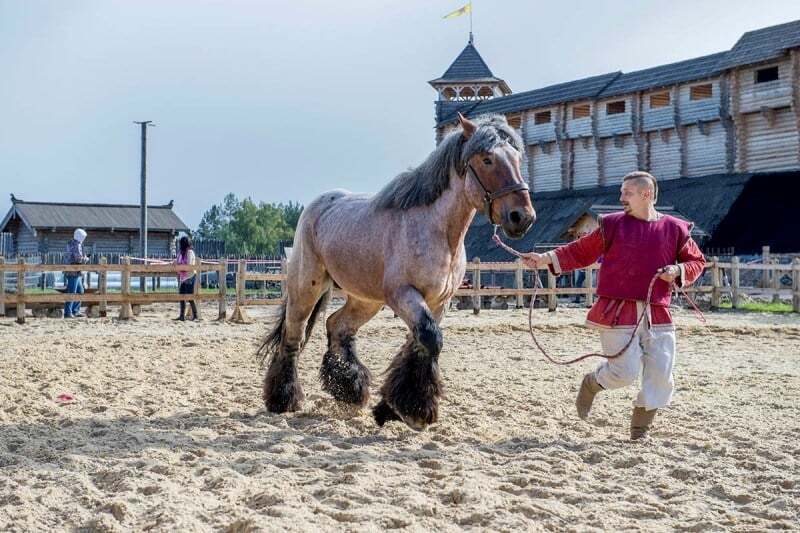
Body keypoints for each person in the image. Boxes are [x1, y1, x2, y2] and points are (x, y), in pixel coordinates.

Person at [522, 171, 706, 440]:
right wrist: (544, 259)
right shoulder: (613, 225)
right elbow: (581, 250)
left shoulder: (675, 228)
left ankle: (639, 432)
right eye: (621, 192)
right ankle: (591, 383)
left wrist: (678, 270)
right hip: (617, 312)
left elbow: (697, 261)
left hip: (658, 312)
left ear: (646, 195)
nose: (621, 198)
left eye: (627, 193)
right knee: (624, 373)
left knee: (661, 375)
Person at [64, 228, 89, 318]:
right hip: (74, 271)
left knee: (79, 291)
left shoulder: (71, 243)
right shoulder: (76, 244)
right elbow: (78, 258)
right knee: (72, 292)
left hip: (75, 271)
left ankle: (75, 311)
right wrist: (86, 259)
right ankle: (68, 312)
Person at [175, 236, 198, 321]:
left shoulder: (190, 252)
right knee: (181, 295)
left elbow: (189, 265)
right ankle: (182, 316)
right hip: (183, 276)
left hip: (190, 276)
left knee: (189, 296)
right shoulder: (181, 253)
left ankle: (195, 315)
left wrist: (180, 267)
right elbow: (177, 262)